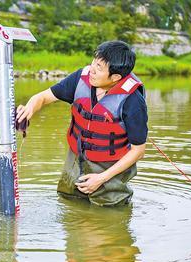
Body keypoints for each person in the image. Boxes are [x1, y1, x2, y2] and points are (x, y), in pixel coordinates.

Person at [16, 41, 148, 206]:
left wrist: (101, 178)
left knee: (108, 213)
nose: (92, 69)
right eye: (94, 61)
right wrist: (29, 108)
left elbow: (138, 151)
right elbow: (43, 97)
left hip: (110, 164)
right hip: (77, 154)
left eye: (99, 67)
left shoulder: (133, 102)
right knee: (68, 201)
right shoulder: (81, 78)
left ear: (115, 77)